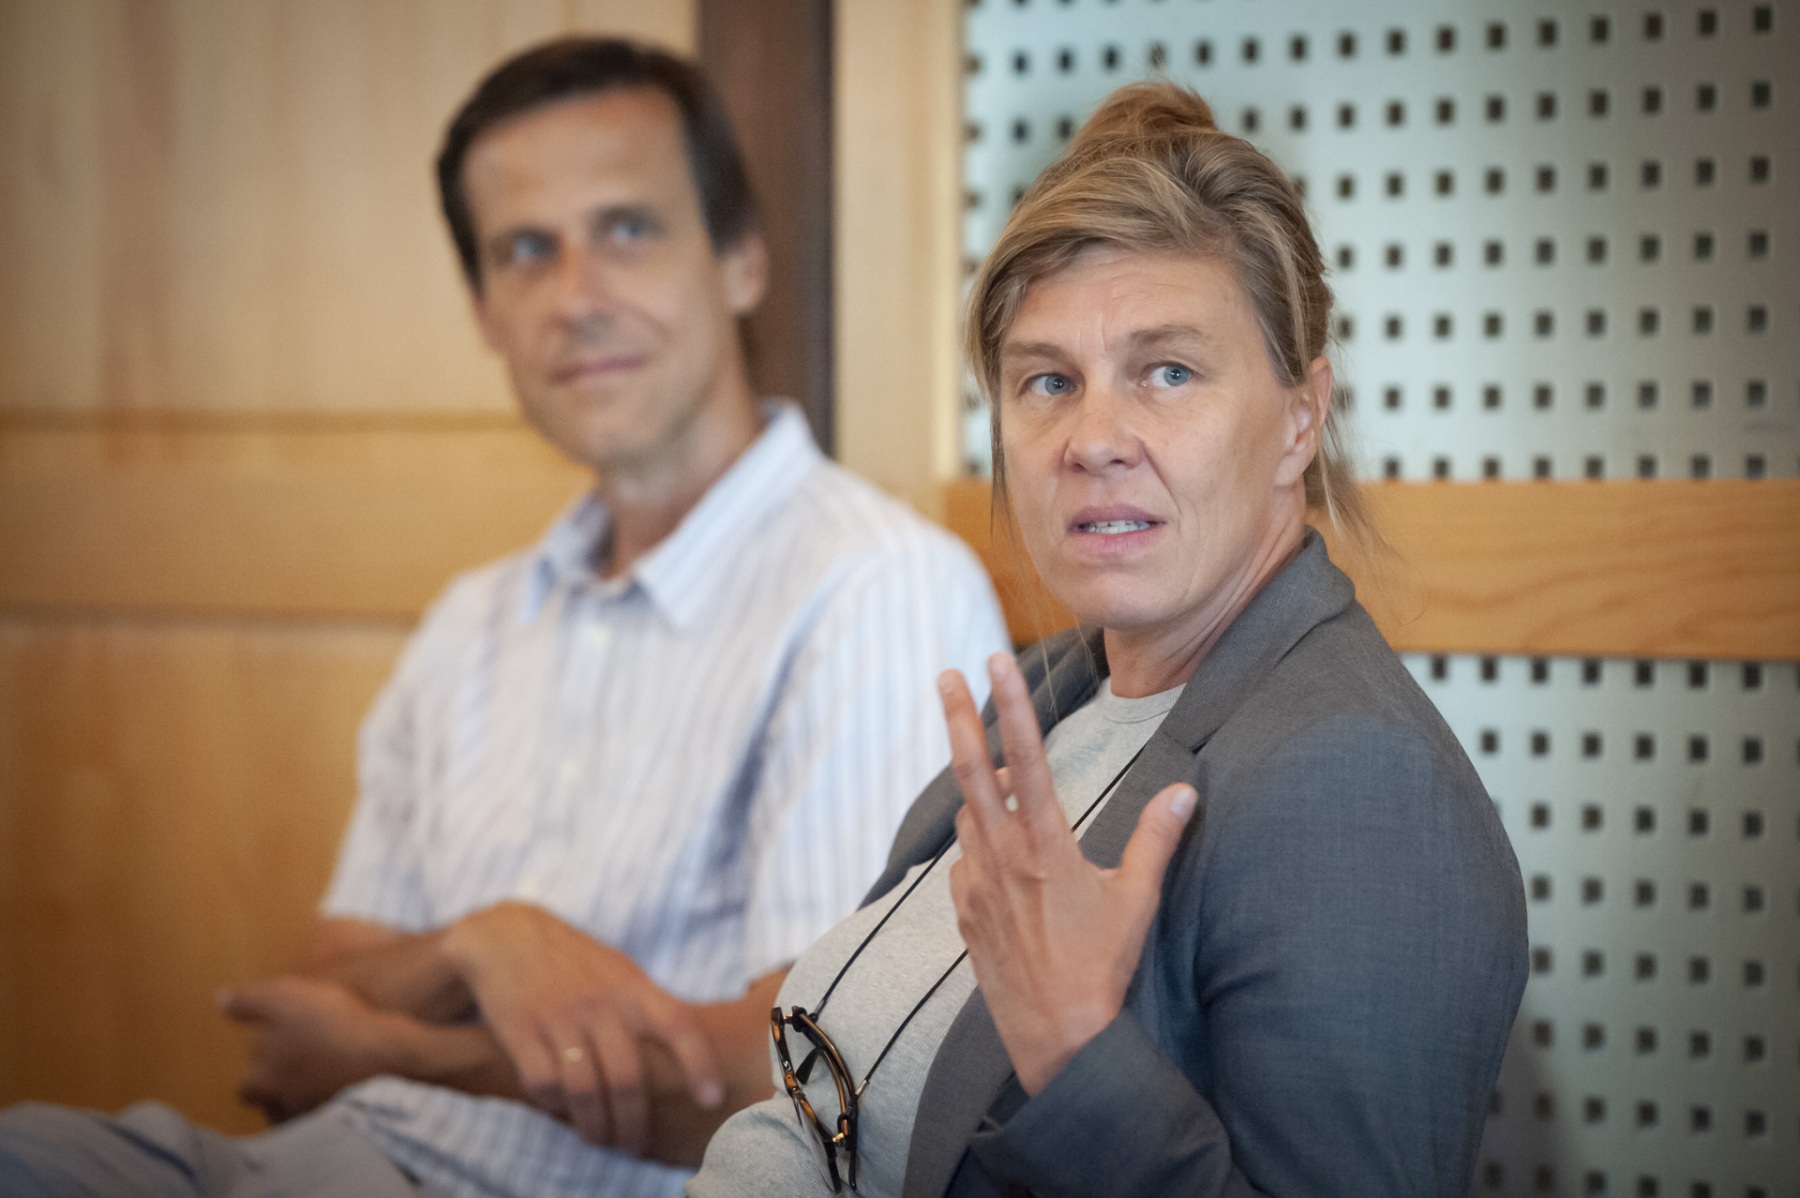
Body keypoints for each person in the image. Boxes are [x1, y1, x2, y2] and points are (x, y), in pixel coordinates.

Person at [0, 37, 1008, 1198]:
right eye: (526, 251)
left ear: (741, 260)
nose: (575, 298)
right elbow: (304, 1009)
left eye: (627, 228)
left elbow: (819, 1076)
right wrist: (484, 943)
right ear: (483, 309)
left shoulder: (874, 586)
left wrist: (406, 1052)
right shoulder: (471, 620)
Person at [688, 81, 1527, 1196]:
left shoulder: (1360, 785)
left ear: (1300, 419)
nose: (1092, 439)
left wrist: (1076, 1053)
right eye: (1048, 381)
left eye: (1168, 372)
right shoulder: (1056, 693)